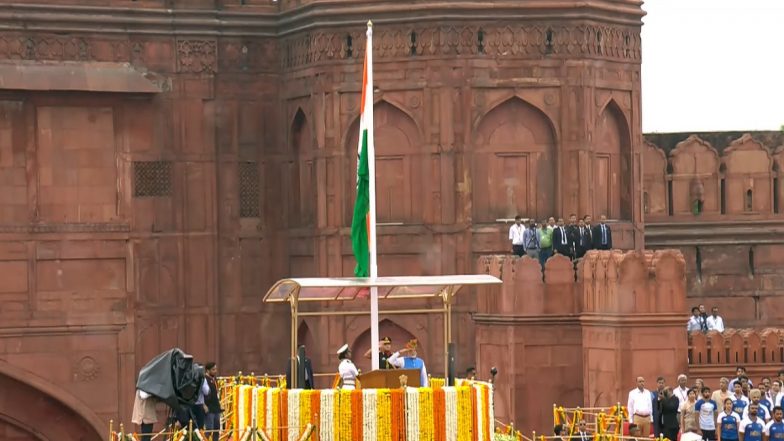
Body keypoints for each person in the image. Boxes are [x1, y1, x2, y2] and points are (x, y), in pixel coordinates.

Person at [204, 362, 222, 441]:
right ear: (207, 370)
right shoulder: (204, 380)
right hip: (209, 408)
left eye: (216, 369)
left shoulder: (214, 379)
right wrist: (204, 405)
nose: (215, 371)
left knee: (216, 429)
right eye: (213, 369)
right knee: (209, 429)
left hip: (216, 408)